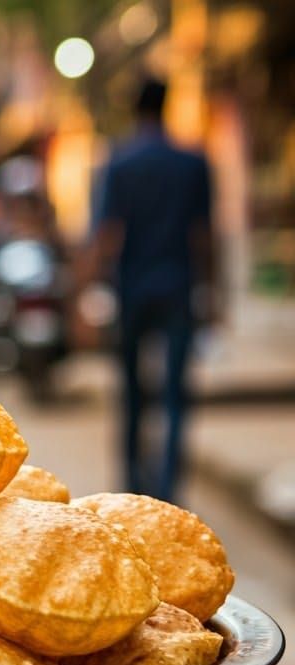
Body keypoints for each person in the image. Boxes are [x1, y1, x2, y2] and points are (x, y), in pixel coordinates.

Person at [92, 78, 214, 503]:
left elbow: (107, 235)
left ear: (134, 108)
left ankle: (133, 484)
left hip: (132, 290)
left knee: (131, 392)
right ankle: (168, 488)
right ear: (166, 106)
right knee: (176, 393)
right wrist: (213, 293)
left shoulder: (119, 163)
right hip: (179, 287)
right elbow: (204, 235)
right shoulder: (192, 162)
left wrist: (92, 291)